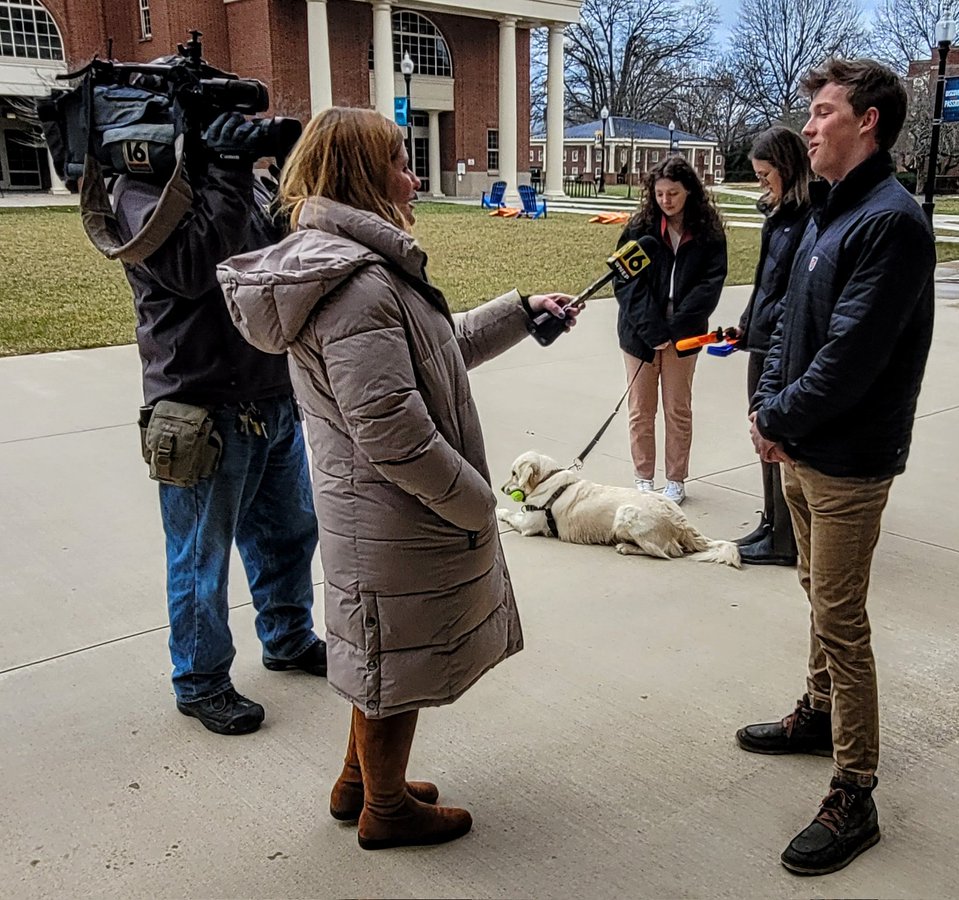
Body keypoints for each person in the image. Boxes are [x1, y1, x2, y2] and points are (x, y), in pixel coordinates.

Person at [216, 107, 579, 850]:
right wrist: (477, 504)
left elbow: (436, 352)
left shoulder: (361, 271)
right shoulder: (353, 285)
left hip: (383, 511)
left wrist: (519, 312)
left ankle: (360, 784)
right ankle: (386, 810)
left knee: (383, 649)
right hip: (395, 512)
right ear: (361, 175)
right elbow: (393, 430)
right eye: (401, 163)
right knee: (393, 657)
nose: (414, 178)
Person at [736, 58, 936, 875]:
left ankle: (855, 790)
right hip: (802, 446)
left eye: (823, 112)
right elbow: (789, 326)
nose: (809, 126)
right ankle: (817, 714)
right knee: (816, 594)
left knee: (842, 621)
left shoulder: (890, 221)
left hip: (850, 460)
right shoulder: (828, 212)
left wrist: (779, 416)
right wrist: (770, 413)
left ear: (869, 123)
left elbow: (853, 355)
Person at [114, 109, 324, 737]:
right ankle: (201, 681)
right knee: (200, 558)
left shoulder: (241, 182)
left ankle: (288, 637)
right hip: (199, 407)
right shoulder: (139, 192)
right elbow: (199, 268)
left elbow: (286, 260)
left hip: (269, 396)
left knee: (289, 534)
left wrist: (289, 172)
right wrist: (229, 173)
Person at [614, 156, 728, 504]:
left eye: (673, 194)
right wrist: (652, 329)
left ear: (689, 191)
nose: (666, 201)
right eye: (660, 194)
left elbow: (710, 284)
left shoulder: (708, 234)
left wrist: (676, 328)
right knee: (641, 409)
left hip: (685, 335)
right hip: (640, 336)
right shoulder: (640, 229)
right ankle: (643, 478)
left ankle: (675, 479)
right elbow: (625, 280)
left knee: (678, 407)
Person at [725, 125, 813, 566]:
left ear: (787, 167)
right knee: (761, 435)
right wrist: (745, 322)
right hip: (761, 338)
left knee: (774, 436)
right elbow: (765, 281)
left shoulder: (806, 218)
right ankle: (771, 522)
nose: (762, 183)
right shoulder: (778, 215)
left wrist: (770, 330)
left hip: (781, 345)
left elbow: (793, 292)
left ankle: (784, 537)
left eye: (766, 175)